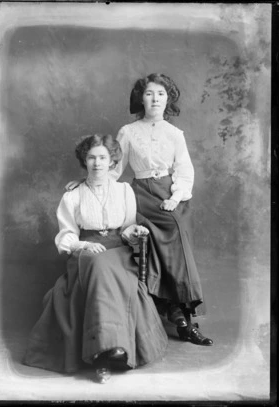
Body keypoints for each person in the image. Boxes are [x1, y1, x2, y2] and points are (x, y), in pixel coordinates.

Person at [66, 73, 213, 346]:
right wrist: (86, 182)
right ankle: (171, 311)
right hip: (141, 194)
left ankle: (183, 316)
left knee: (176, 230)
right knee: (144, 234)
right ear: (140, 99)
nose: (155, 98)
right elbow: (115, 169)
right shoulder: (128, 132)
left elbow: (184, 170)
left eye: (160, 94)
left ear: (168, 99)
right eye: (149, 93)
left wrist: (176, 196)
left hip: (170, 194)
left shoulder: (174, 134)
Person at [23, 134, 168, 384]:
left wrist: (135, 232)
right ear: (84, 161)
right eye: (91, 158)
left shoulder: (124, 191)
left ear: (112, 161)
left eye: (103, 157)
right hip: (85, 252)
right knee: (96, 263)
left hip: (118, 251)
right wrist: (83, 244)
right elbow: (67, 235)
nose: (97, 163)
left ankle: (107, 351)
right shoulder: (73, 195)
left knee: (104, 265)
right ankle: (106, 352)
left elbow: (127, 228)